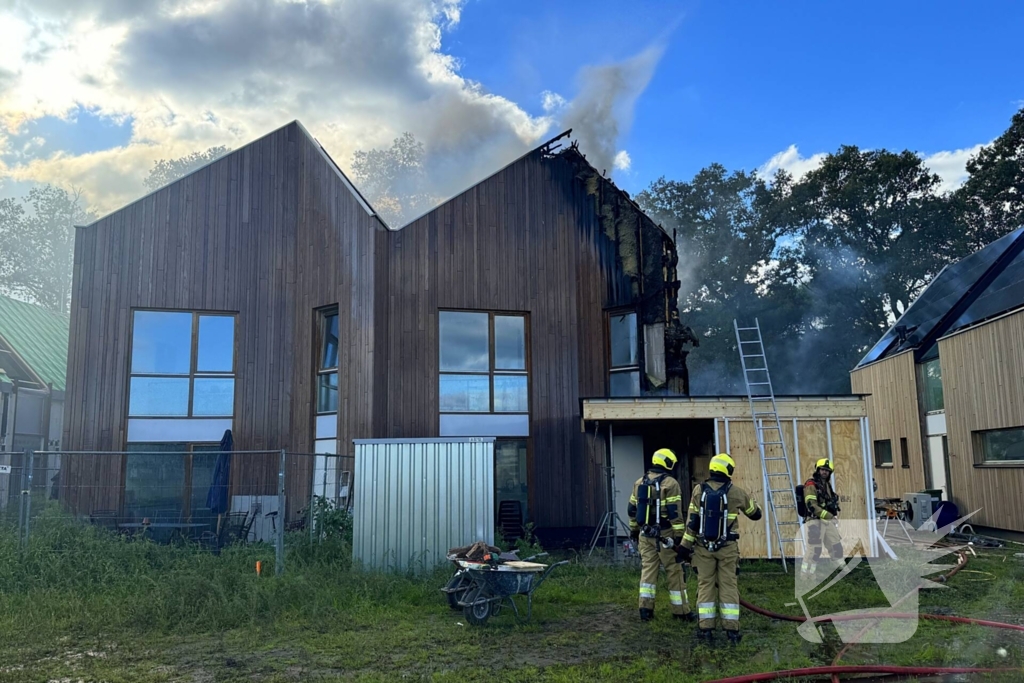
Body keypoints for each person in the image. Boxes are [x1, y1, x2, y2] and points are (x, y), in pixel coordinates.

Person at [678, 452, 762, 645]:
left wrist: (684, 546)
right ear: (728, 470)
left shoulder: (698, 490)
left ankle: (706, 629)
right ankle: (731, 631)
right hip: (728, 549)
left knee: (705, 585)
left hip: (703, 548)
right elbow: (755, 514)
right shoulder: (737, 492)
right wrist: (754, 503)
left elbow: (692, 522)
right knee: (729, 586)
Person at [627, 448, 695, 622]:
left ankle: (645, 610)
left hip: (645, 535)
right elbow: (674, 513)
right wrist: (679, 537)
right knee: (675, 571)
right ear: (668, 463)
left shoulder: (639, 482)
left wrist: (634, 530)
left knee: (648, 571)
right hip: (666, 535)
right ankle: (681, 612)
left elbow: (632, 509)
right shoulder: (671, 484)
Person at [801, 458, 844, 579]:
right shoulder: (811, 485)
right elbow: (811, 506)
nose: (825, 472)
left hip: (827, 521)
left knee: (836, 545)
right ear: (818, 470)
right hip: (815, 521)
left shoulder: (827, 485)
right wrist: (829, 516)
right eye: (822, 469)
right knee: (814, 550)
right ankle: (806, 576)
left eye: (827, 470)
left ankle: (842, 571)